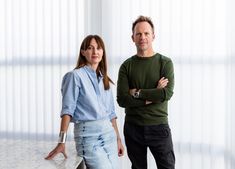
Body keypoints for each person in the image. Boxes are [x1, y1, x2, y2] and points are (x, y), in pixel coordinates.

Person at [45, 35, 124, 169]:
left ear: (103, 52)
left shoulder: (104, 79)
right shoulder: (74, 76)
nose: (95, 52)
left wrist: (118, 139)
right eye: (90, 48)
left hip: (108, 134)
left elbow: (111, 113)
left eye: (98, 48)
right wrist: (61, 142)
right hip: (88, 136)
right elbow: (67, 110)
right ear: (83, 52)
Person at [117, 16, 175, 169]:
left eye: (146, 33)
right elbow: (122, 100)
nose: (142, 37)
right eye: (138, 34)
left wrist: (136, 92)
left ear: (153, 36)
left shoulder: (165, 63)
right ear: (133, 38)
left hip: (159, 127)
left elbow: (165, 94)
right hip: (133, 127)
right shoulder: (126, 66)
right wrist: (154, 93)